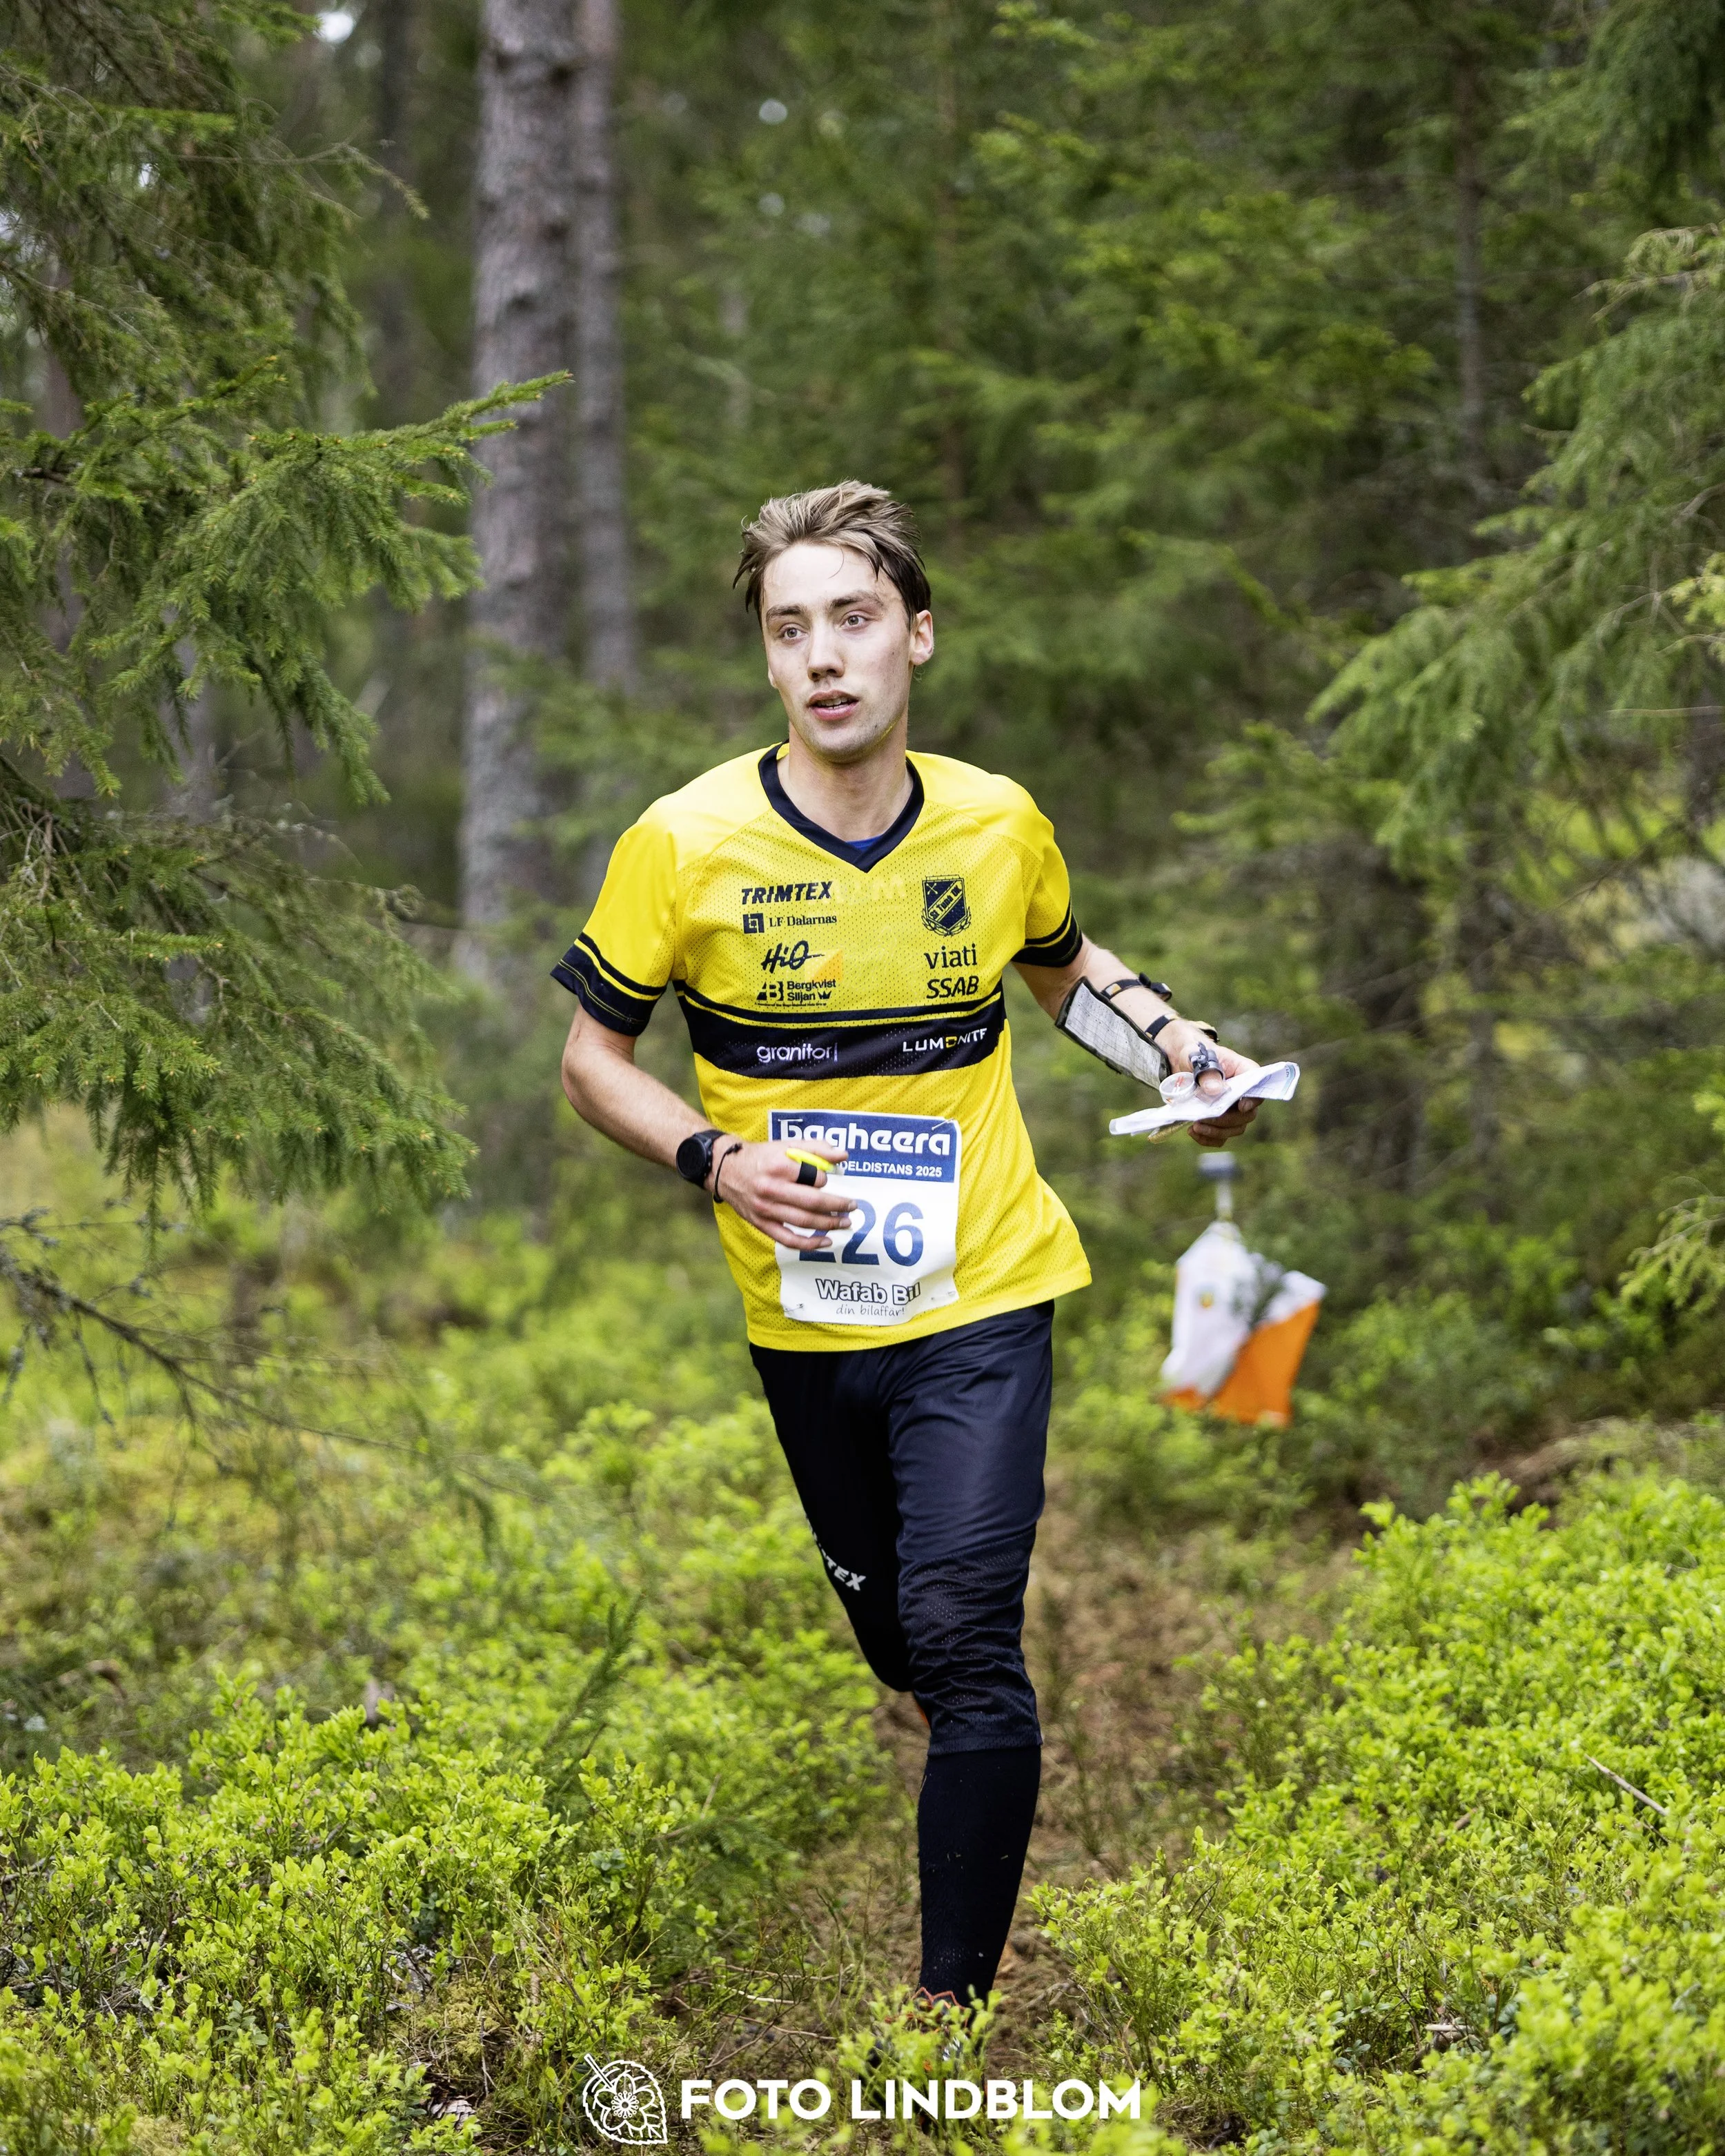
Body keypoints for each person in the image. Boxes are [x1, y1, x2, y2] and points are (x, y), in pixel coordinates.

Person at [555, 482, 1258, 2015]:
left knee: (964, 1641)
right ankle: (935, 1723)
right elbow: (592, 1060)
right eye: (789, 628)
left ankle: (945, 2022)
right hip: (806, 1323)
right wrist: (716, 1159)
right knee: (900, 1643)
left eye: (854, 619)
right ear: (766, 657)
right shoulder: (685, 841)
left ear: (916, 636)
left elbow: (1063, 965)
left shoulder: (996, 820)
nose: (824, 656)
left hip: (986, 1292)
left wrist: (1179, 1051)